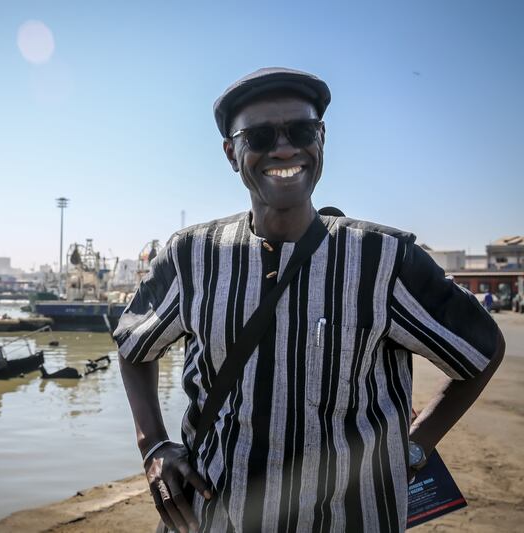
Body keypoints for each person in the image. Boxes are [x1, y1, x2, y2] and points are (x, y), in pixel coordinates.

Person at [114, 67, 505, 533]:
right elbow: (133, 344)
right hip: (211, 517)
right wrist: (154, 445)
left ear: (321, 139)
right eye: (259, 136)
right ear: (231, 154)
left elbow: (482, 349)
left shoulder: (385, 259)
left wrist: (418, 445)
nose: (283, 149)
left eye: (301, 131)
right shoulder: (191, 256)